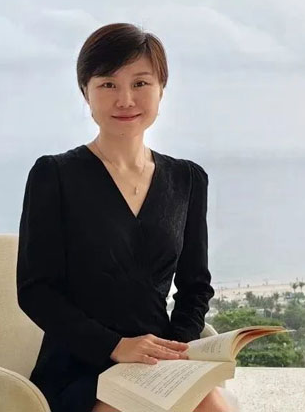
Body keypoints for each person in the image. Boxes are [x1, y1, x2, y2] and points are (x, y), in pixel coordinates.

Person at [16, 23, 234, 412]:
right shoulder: (54, 175)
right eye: (108, 84)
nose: (125, 99)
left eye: (140, 83)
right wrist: (115, 346)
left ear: (161, 89)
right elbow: (36, 290)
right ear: (86, 92)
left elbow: (195, 287)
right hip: (79, 364)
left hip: (155, 361)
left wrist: (175, 350)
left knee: (212, 406)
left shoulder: (187, 179)